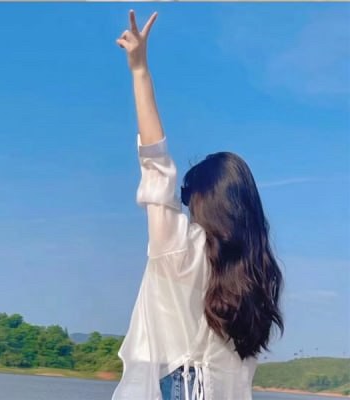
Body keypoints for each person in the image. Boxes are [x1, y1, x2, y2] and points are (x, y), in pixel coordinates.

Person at [112, 10, 285, 400]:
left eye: (189, 200)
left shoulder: (178, 247)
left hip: (175, 387)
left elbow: (155, 162)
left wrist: (139, 70)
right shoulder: (257, 278)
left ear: (202, 202)